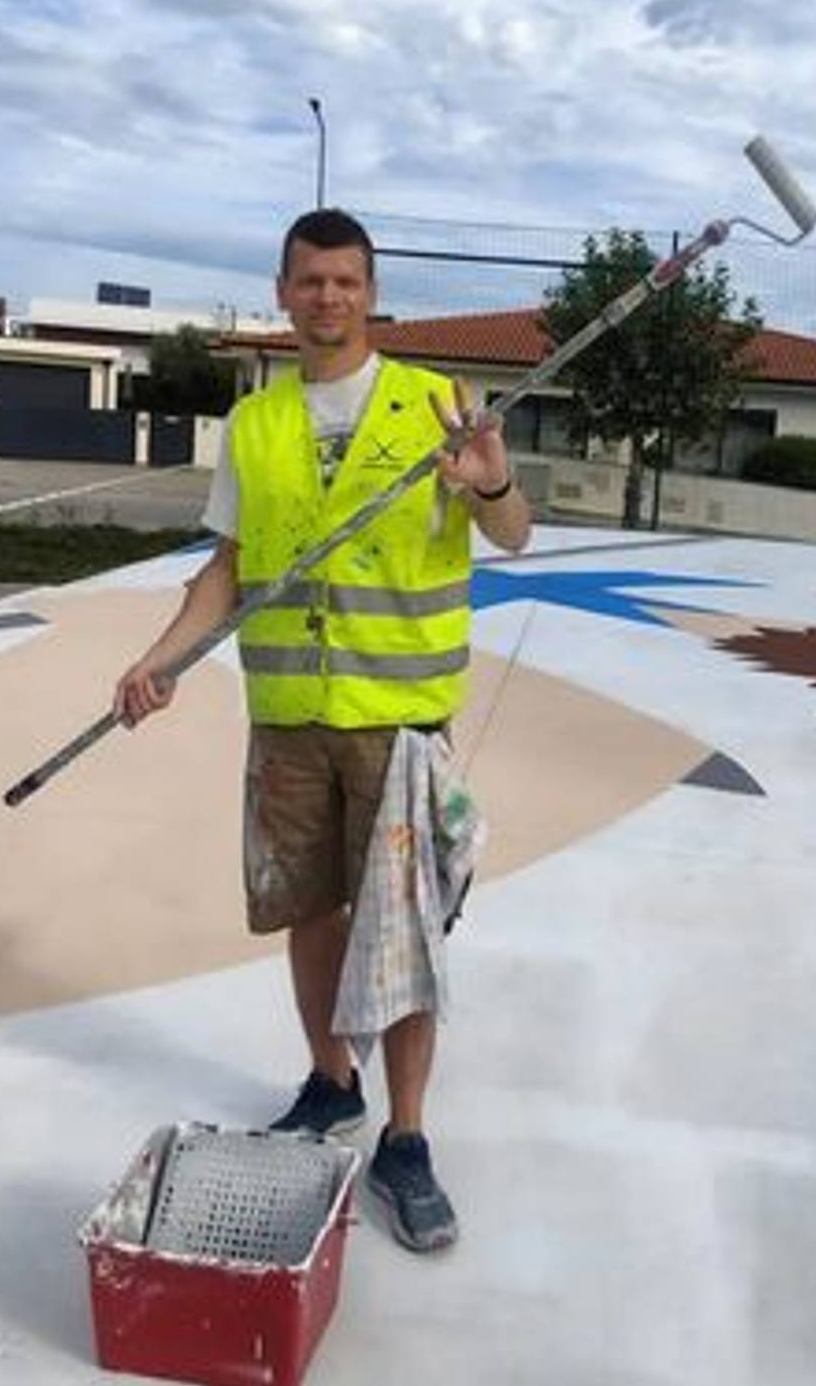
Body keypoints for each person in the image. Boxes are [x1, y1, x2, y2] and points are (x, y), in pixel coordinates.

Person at [112, 207, 532, 1251]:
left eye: (345, 281)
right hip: (290, 719)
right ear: (283, 290)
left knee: (405, 937)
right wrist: (161, 659)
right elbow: (228, 567)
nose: (327, 298)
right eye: (310, 281)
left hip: (395, 724)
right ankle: (329, 1085)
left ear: (370, 292)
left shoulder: (434, 406)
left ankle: (406, 1137)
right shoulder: (255, 425)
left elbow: (514, 535)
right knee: (310, 913)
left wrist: (488, 478)